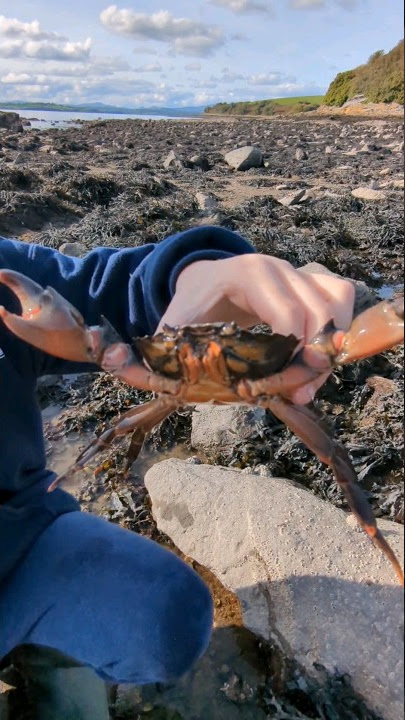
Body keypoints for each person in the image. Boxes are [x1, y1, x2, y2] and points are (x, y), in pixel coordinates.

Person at [0, 226, 354, 719]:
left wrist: (201, 273)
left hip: (19, 538)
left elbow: (108, 292)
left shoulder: (6, 273)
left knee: (168, 616)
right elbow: (123, 426)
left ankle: (48, 657)